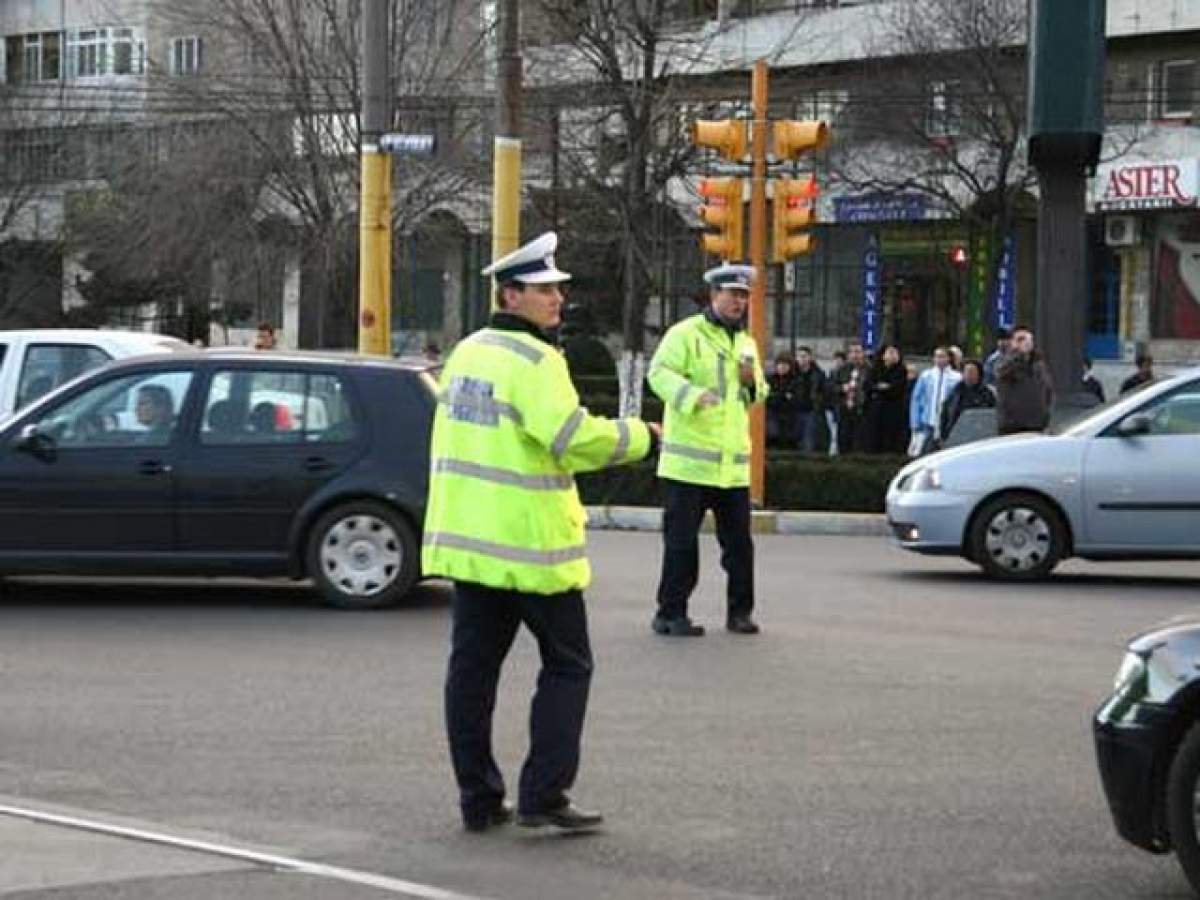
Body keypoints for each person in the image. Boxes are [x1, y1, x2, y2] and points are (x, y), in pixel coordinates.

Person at [425, 232, 659, 834]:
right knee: (568, 665)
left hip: (473, 547)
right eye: (545, 290)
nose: (558, 299)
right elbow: (571, 439)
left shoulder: (468, 352)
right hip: (529, 549)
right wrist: (640, 437)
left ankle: (478, 799)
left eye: (559, 289)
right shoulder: (537, 361)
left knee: (472, 673)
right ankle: (544, 794)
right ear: (510, 295)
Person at [647, 263, 768, 638]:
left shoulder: (747, 343)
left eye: (743, 296)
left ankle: (740, 613)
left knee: (739, 549)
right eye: (732, 295)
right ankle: (670, 614)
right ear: (714, 296)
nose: (738, 302)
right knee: (681, 546)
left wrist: (752, 385)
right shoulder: (685, 334)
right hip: (688, 465)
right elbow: (658, 373)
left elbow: (759, 392)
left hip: (731, 467)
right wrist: (692, 396)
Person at [995, 325, 1054, 435]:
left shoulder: (1039, 364)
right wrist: (1019, 354)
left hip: (1037, 425)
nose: (1024, 343)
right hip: (1013, 427)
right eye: (1019, 339)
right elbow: (1003, 373)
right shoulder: (1003, 361)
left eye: (1027, 339)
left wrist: (1046, 416)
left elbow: (1048, 391)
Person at [909, 347, 962, 455]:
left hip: (946, 421)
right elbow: (916, 398)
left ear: (948, 359)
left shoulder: (957, 377)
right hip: (928, 421)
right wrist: (915, 421)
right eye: (937, 356)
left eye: (942, 356)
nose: (939, 359)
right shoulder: (926, 375)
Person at [861, 344, 908, 454]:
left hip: (893, 411)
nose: (894, 355)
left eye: (896, 353)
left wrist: (883, 388)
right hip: (875, 412)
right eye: (890, 352)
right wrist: (880, 388)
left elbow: (896, 389)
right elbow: (868, 386)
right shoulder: (875, 369)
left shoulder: (901, 370)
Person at [939, 359, 995, 441]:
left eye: (972, 372)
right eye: (967, 371)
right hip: (956, 436)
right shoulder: (955, 392)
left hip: (978, 436)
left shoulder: (986, 394)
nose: (969, 375)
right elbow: (945, 413)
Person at [833, 343, 869, 453]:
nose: (855, 355)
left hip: (861, 413)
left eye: (857, 352)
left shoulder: (869, 370)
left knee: (859, 445)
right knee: (843, 443)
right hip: (844, 411)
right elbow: (832, 387)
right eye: (852, 352)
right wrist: (841, 388)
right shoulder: (842, 370)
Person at [792, 345, 825, 453]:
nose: (802, 359)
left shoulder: (818, 374)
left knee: (808, 442)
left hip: (811, 411)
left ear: (810, 358)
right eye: (799, 356)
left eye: (804, 356)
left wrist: (818, 403)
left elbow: (823, 391)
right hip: (795, 410)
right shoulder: (793, 374)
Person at [766, 353, 799, 447]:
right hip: (773, 414)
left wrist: (779, 396)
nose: (782, 367)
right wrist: (783, 396)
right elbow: (768, 397)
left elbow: (794, 398)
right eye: (780, 365)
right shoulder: (770, 379)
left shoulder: (794, 380)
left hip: (789, 416)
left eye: (785, 365)